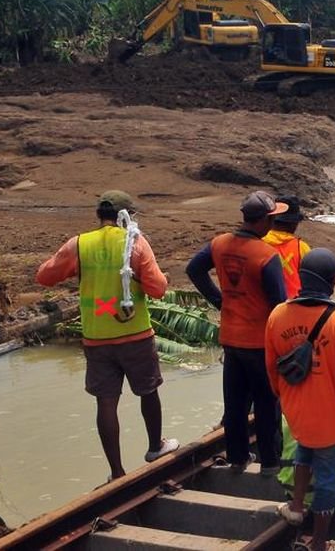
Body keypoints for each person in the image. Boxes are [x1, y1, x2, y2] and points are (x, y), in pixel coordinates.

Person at [36, 190, 180, 480]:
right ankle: (155, 447)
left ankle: (116, 472)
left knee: (106, 402)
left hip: (97, 337)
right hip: (135, 333)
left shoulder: (80, 244)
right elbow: (158, 289)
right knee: (148, 390)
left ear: (99, 216)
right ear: (126, 216)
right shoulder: (135, 243)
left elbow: (44, 276)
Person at [266, 249, 335, 551]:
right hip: (329, 417)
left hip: (296, 412)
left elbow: (271, 369)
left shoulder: (278, 315)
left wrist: (285, 398)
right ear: (333, 281)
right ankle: (321, 544)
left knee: (303, 452)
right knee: (328, 478)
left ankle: (296, 507)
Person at [187, 191, 288, 474]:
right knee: (267, 404)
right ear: (265, 220)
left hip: (231, 338)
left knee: (235, 402)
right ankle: (270, 462)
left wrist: (219, 300)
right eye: (272, 218)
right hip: (259, 342)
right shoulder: (267, 256)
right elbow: (279, 304)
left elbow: (194, 270)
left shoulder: (219, 244)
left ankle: (238, 458)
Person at [263, 195, 311, 298]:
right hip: (292, 306)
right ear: (294, 224)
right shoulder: (301, 248)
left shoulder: (257, 243)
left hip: (262, 305)